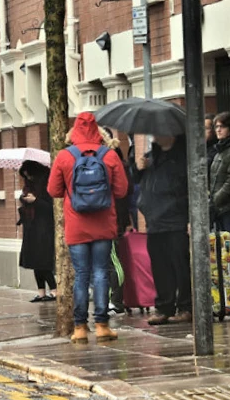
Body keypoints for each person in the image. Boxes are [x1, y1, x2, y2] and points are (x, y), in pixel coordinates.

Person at [48, 113, 129, 343]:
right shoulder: (109, 155)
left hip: (76, 225)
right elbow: (122, 190)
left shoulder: (65, 156)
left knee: (82, 274)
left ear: (74, 131)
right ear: (97, 131)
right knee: (102, 272)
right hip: (103, 224)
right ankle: (102, 325)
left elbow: (53, 190)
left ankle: (81, 328)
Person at [135, 134, 192, 325]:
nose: (155, 135)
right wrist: (138, 169)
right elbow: (137, 183)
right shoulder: (152, 157)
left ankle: (186, 306)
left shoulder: (182, 157)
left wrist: (190, 218)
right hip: (154, 220)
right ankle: (163, 307)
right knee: (160, 266)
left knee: (180, 265)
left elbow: (188, 186)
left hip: (176, 219)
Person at [210, 111, 230, 303]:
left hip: (227, 207)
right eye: (216, 127)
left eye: (221, 126)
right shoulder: (219, 151)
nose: (218, 130)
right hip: (218, 207)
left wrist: (215, 200)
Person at [101, 127, 132, 315]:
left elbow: (122, 193)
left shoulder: (114, 160)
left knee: (113, 261)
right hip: (105, 218)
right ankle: (108, 300)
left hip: (112, 220)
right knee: (105, 263)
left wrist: (122, 220)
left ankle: (117, 301)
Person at [17, 160, 56, 303]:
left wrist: (36, 200)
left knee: (42, 261)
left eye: (30, 176)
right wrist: (24, 198)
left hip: (44, 227)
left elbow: (51, 206)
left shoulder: (47, 183)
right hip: (31, 226)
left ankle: (54, 290)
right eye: (26, 176)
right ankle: (41, 292)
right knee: (34, 260)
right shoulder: (29, 185)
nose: (28, 179)